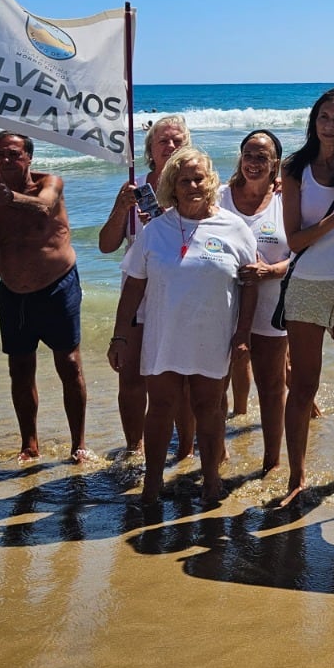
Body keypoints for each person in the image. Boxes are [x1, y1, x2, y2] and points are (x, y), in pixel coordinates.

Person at [106, 147, 257, 503]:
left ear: (211, 182)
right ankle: (152, 484)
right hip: (164, 336)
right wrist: (120, 336)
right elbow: (134, 286)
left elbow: (250, 284)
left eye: (198, 178)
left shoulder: (234, 228)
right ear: (171, 187)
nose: (191, 185)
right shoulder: (156, 229)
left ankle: (211, 482)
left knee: (209, 409)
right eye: (183, 180)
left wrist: (243, 334)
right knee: (160, 408)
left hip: (212, 335)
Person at [0, 131, 93, 463]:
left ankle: (79, 444)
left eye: (15, 154)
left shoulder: (51, 183)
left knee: (70, 364)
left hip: (58, 285)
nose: (7, 160)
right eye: (0, 154)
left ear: (29, 157)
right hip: (14, 293)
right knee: (20, 368)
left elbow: (45, 207)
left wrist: (12, 198)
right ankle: (29, 445)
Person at [280, 87, 334, 503]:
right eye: (324, 117)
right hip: (309, 285)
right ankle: (296, 475)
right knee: (303, 386)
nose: (330, 126)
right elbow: (295, 241)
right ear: (314, 121)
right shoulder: (295, 168)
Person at [98, 114, 191, 459]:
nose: (170, 146)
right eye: (163, 140)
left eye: (177, 140)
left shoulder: (195, 186)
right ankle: (134, 446)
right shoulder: (135, 188)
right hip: (138, 298)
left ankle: (184, 449)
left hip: (181, 296)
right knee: (132, 376)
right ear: (150, 149)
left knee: (179, 379)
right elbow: (106, 245)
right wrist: (122, 209)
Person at [220, 130, 292, 474]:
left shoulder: (286, 200)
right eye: (248, 154)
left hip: (272, 307)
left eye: (262, 157)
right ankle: (216, 452)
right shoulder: (218, 197)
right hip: (220, 305)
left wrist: (272, 270)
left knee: (272, 385)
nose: (253, 162)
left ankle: (272, 460)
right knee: (213, 381)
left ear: (275, 163)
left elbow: (303, 251)